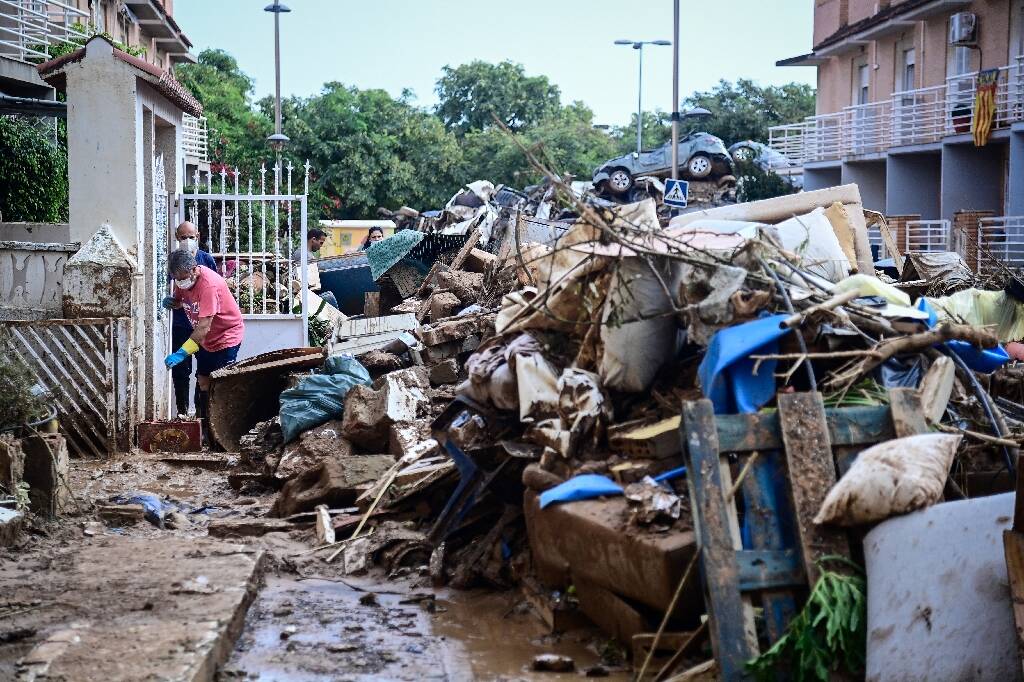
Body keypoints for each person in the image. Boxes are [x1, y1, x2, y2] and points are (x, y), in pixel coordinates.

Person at [162, 249, 245, 437]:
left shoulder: (209, 285)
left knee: (221, 383)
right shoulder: (183, 281)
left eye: (182, 278)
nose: (180, 282)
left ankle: (224, 432)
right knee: (203, 381)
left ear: (193, 270)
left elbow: (203, 328)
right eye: (176, 279)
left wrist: (182, 353)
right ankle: (204, 430)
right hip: (207, 340)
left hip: (226, 336)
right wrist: (172, 302)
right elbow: (180, 300)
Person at [169, 221, 217, 416]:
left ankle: (200, 414)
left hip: (202, 326)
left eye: (191, 237)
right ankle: (182, 411)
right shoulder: (173, 261)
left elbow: (214, 290)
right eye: (183, 237)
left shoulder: (206, 260)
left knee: (203, 371)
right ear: (176, 237)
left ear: (198, 236)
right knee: (181, 370)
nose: (187, 241)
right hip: (181, 323)